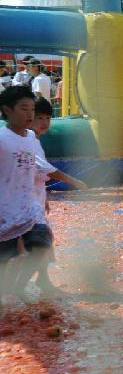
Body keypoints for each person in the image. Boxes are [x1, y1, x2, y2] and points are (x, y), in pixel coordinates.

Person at [0, 87, 87, 302]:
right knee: (6, 258)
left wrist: (43, 197)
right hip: (5, 211)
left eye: (33, 110)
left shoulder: (31, 138)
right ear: (7, 111)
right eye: (25, 109)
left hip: (30, 208)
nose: (30, 115)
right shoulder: (2, 139)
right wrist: (75, 181)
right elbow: (46, 169)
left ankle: (21, 285)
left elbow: (32, 171)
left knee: (42, 243)